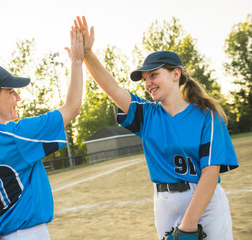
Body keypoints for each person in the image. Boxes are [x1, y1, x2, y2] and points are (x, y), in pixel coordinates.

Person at [73, 16, 239, 240]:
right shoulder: (147, 114)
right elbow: (111, 87)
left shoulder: (206, 115)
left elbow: (210, 173)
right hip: (164, 203)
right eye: (144, 79)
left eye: (154, 75)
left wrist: (188, 226)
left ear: (176, 74)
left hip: (204, 202)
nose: (148, 82)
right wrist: (88, 54)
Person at [0, 27, 84, 240]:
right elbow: (73, 107)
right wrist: (76, 61)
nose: (17, 97)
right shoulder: (13, 135)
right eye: (10, 92)